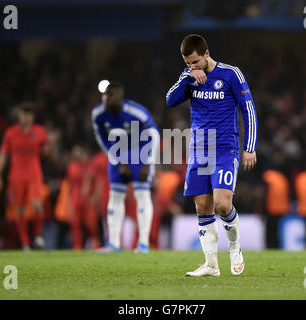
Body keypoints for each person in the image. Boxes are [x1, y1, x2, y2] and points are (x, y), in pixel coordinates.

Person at [166, 34, 257, 276]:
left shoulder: (231, 74)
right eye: (187, 64)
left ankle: (235, 246)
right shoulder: (189, 78)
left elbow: (248, 109)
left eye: (195, 62)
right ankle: (211, 265)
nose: (192, 67)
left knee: (222, 204)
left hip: (225, 148)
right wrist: (187, 77)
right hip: (199, 150)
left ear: (206, 54)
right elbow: (170, 100)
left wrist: (250, 146)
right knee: (202, 208)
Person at [91, 82, 160, 253]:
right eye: (104, 95)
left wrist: (147, 162)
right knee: (115, 196)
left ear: (119, 98)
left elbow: (154, 134)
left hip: (140, 153)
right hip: (118, 154)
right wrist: (116, 158)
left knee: (142, 195)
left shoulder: (136, 112)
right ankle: (113, 244)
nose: (105, 98)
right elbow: (101, 138)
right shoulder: (98, 114)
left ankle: (143, 244)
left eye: (109, 95)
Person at [0, 102, 55, 250]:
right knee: (19, 209)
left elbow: (48, 155)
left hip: (34, 174)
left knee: (37, 205)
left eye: (28, 114)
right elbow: (3, 154)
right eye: (23, 114)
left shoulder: (39, 131)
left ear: (32, 117)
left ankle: (38, 235)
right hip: (16, 176)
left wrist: (52, 144)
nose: (25, 117)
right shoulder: (11, 133)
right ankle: (25, 243)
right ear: (19, 116)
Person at [262, 168, 290, 249]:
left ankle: (270, 247)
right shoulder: (282, 178)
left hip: (270, 208)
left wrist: (262, 208)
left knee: (270, 231)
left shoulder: (268, 176)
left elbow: (265, 193)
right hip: (281, 208)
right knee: (277, 230)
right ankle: (276, 246)